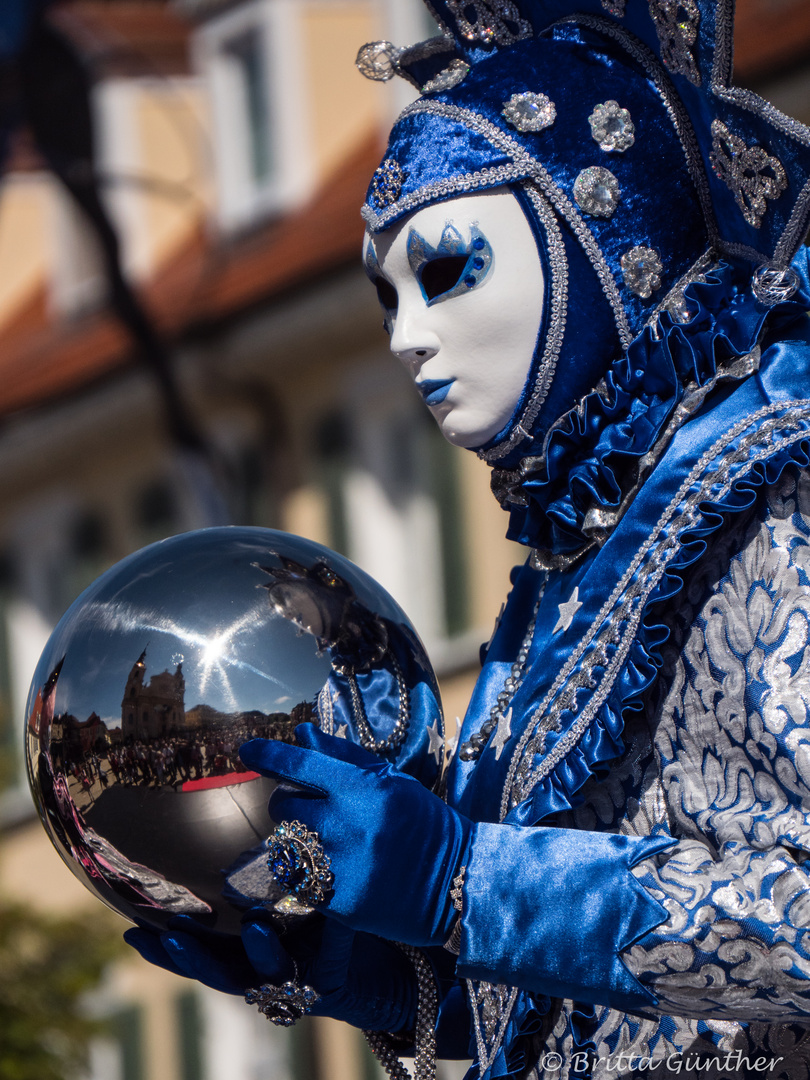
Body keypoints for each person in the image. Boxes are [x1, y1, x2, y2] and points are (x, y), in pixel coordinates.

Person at [126, 1, 810, 1077]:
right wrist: (417, 991)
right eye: (384, 296)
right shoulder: (558, 583)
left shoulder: (777, 488)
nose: (407, 339)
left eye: (448, 271)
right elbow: (605, 1014)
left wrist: (466, 884)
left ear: (598, 239)